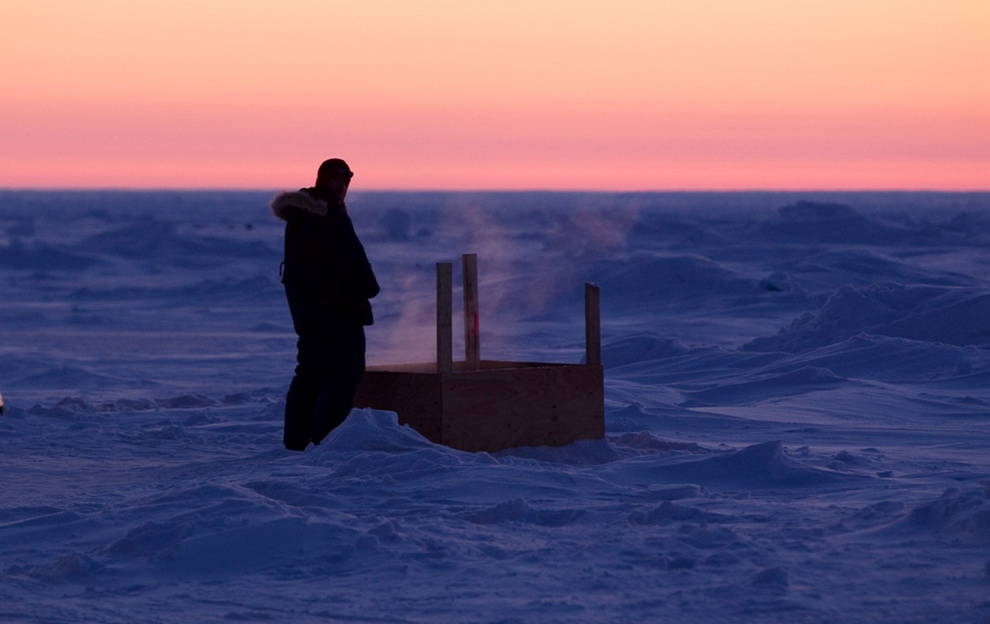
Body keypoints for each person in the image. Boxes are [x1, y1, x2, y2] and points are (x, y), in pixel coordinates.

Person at [270, 158, 380, 451]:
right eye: (334, 181)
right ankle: (325, 439)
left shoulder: (302, 215)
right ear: (321, 181)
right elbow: (351, 257)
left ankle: (297, 441)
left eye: (344, 181)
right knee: (344, 372)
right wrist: (370, 287)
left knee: (311, 372)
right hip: (337, 310)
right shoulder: (327, 214)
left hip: (309, 312)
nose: (340, 187)